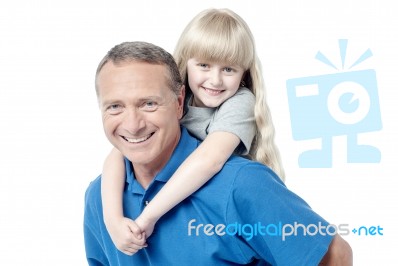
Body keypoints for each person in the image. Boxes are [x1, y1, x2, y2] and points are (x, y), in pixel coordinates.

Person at [84, 40, 352, 265]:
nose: (133, 124)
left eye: (149, 104)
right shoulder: (100, 198)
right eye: (115, 107)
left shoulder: (241, 184)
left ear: (179, 103)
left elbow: (336, 256)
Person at [101, 8, 286, 255]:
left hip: (225, 211)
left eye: (228, 69)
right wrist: (112, 221)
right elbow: (119, 153)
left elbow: (209, 161)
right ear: (186, 63)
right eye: (204, 65)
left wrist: (147, 217)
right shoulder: (177, 98)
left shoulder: (240, 102)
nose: (215, 80)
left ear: (244, 73)